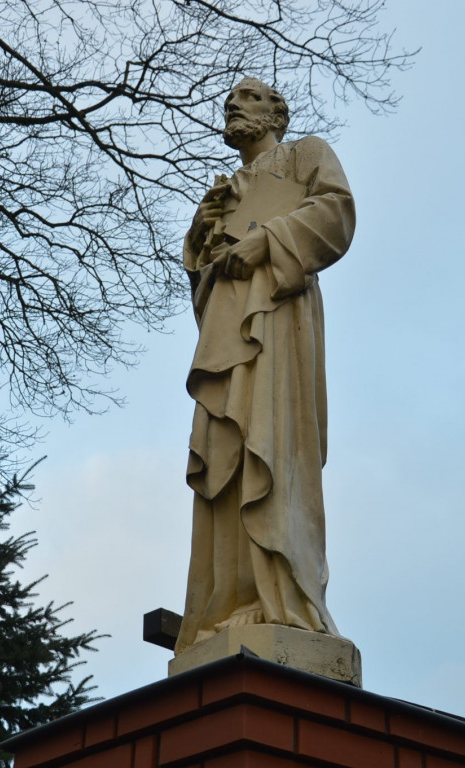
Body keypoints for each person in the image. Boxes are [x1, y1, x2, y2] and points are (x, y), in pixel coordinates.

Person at [175, 77, 355, 655]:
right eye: (229, 100)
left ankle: (281, 594)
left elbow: (337, 213)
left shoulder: (306, 154)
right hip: (228, 333)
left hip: (276, 315)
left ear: (277, 112)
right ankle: (226, 600)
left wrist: (269, 241)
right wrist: (202, 241)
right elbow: (204, 281)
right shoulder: (224, 191)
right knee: (228, 450)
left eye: (249, 96)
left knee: (272, 441)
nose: (233, 104)